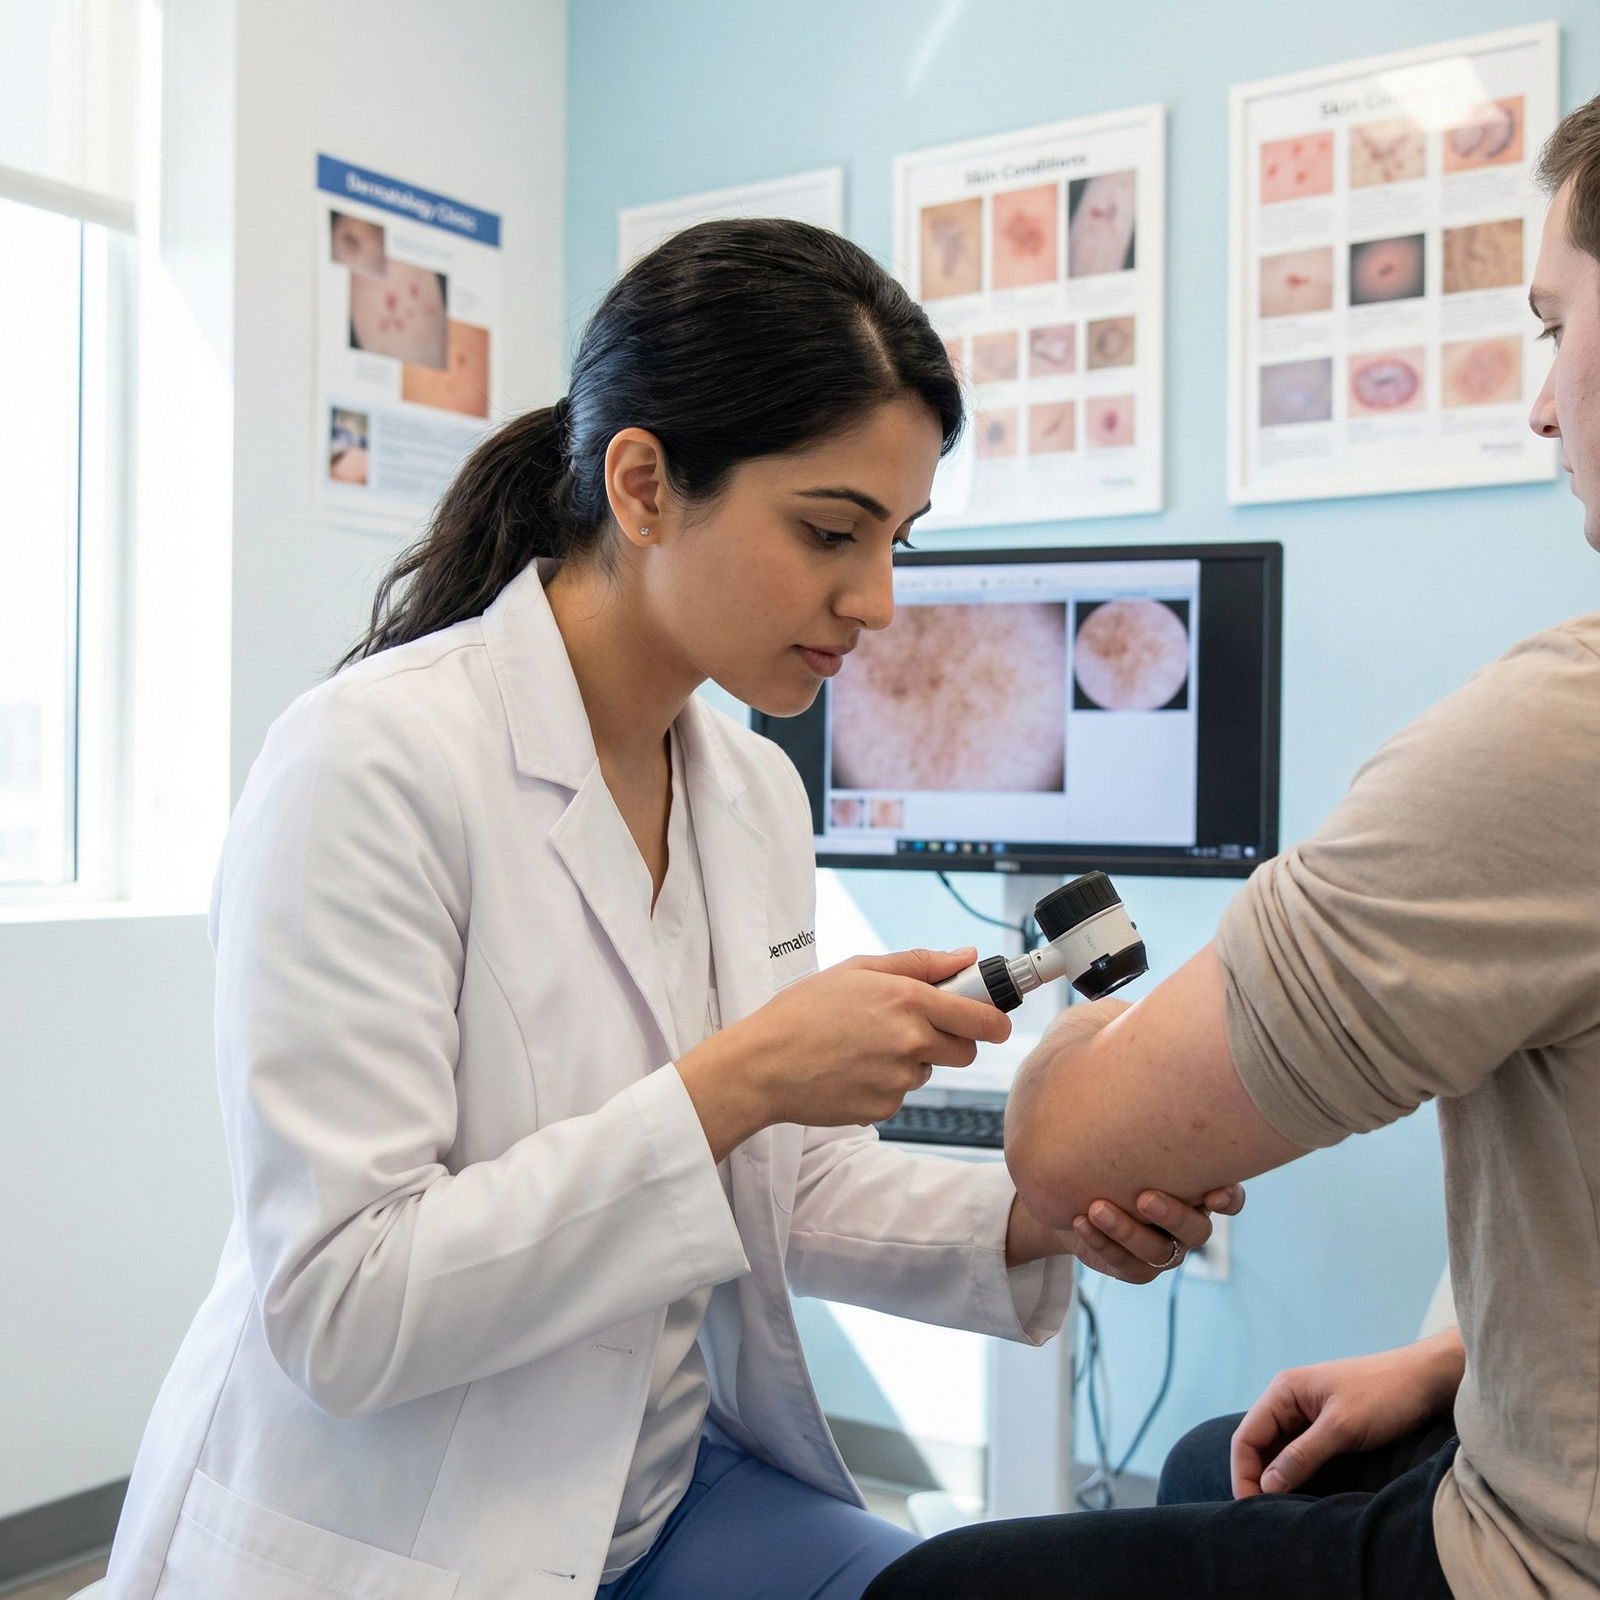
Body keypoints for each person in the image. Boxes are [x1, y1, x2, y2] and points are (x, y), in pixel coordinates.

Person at [102, 218, 1239, 1600]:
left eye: (897, 539)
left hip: (656, 1488)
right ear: (642, 484)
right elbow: (345, 1307)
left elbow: (779, 1185)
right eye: (831, 530)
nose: (877, 602)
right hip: (405, 1531)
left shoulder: (749, 792)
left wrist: (1035, 1217)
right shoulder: (371, 763)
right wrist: (741, 1079)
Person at [864, 95, 1600, 1600]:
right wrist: (1456, 1358)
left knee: (930, 1589)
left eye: (1549, 324)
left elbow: (1073, 1145)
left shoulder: (1558, 744)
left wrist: (1087, 1059)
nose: (1538, 405)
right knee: (1223, 1458)